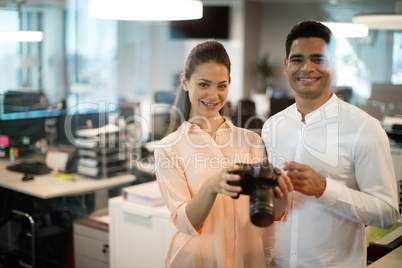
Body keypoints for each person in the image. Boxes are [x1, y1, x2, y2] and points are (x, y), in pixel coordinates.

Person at [261, 21, 400, 268]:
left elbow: (387, 213)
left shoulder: (364, 128)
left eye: (318, 59)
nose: (307, 68)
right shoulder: (272, 126)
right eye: (297, 59)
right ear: (286, 65)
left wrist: (324, 188)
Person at [154, 40, 293, 268]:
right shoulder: (169, 148)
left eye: (222, 85)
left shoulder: (251, 141)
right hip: (198, 260)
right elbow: (184, 221)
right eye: (204, 84)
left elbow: (270, 217)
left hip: (248, 259)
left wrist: (281, 194)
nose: (213, 95)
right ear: (185, 82)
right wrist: (211, 187)